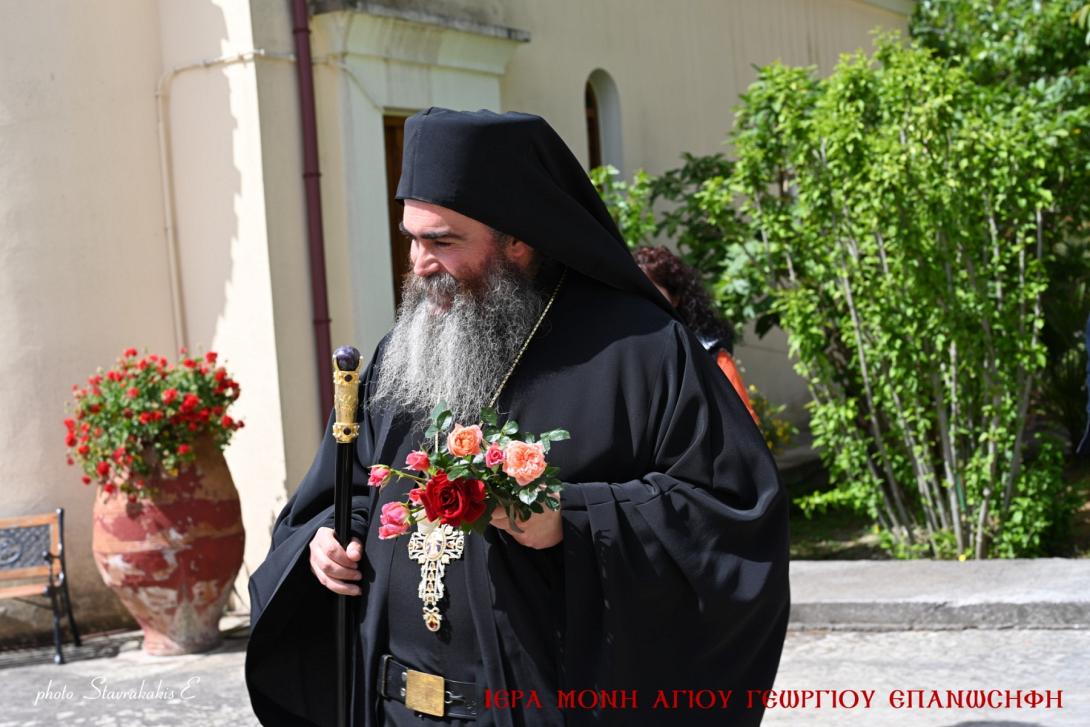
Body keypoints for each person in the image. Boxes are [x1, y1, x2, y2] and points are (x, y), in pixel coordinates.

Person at [245, 108, 789, 727]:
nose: (419, 263)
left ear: (518, 238)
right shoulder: (404, 349)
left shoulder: (644, 352)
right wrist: (326, 540)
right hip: (391, 705)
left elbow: (733, 518)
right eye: (413, 238)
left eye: (443, 241)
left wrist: (573, 521)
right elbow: (344, 488)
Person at [634, 246, 759, 424]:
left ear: (675, 298)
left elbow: (745, 421)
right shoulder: (625, 356)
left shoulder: (712, 353)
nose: (642, 304)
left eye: (651, 292)